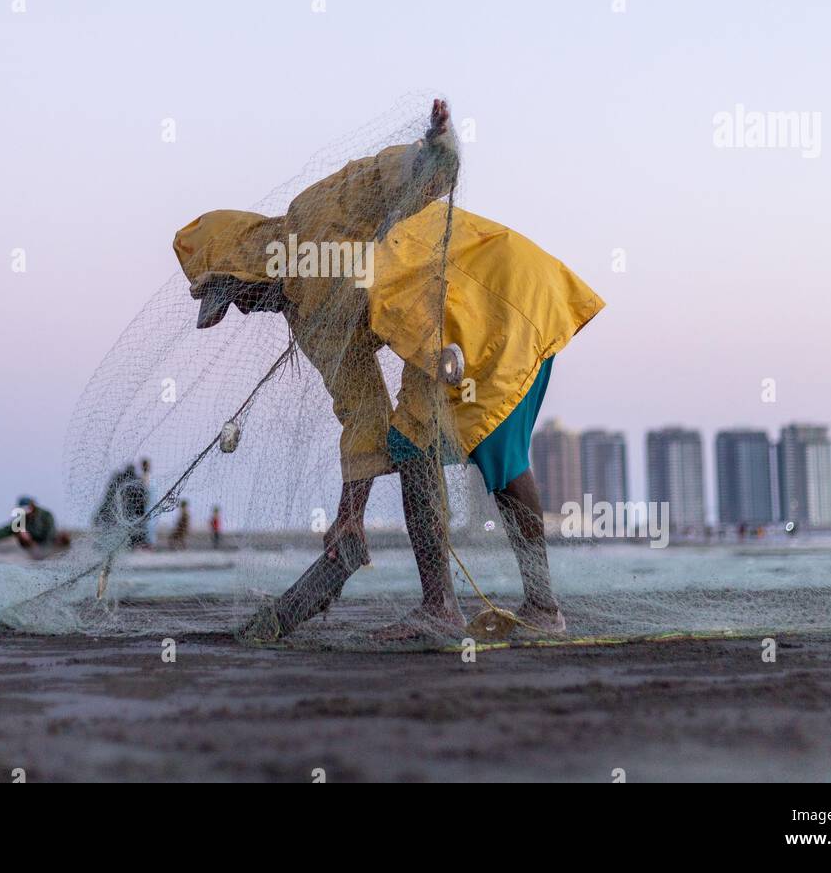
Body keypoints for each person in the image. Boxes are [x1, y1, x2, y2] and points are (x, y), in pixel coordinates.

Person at [173, 99, 604, 640]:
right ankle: (510, 609)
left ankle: (472, 610)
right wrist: (348, 514)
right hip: (444, 339)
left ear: (241, 265)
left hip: (492, 294)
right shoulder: (309, 318)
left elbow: (388, 174)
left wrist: (433, 149)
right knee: (442, 447)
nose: (240, 308)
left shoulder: (314, 215)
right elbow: (362, 411)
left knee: (462, 449)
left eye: (232, 294)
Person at [0, 496, 65, 552]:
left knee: (64, 537)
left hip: (48, 542)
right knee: (21, 532)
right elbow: (9, 529)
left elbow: (50, 532)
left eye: (27, 508)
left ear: (32, 506)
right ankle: (32, 553)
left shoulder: (46, 515)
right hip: (33, 544)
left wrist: (47, 547)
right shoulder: (22, 518)